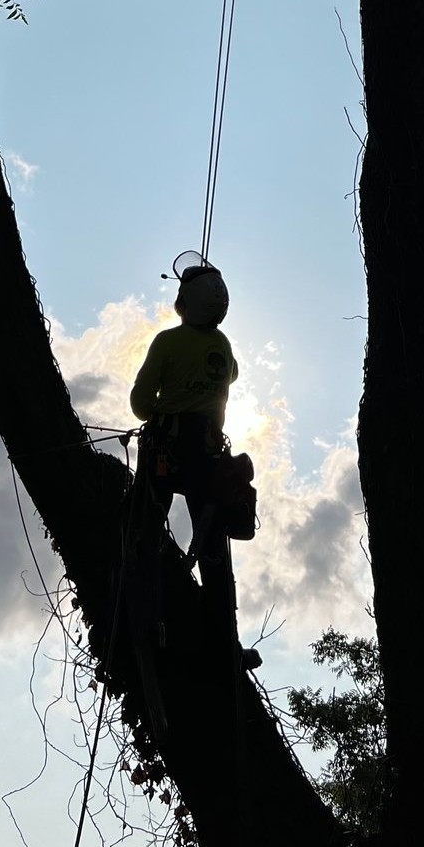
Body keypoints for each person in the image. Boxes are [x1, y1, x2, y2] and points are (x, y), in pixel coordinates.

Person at [128, 261, 259, 669]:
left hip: (166, 451)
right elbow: (231, 375)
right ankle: (225, 644)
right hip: (207, 456)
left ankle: (146, 622)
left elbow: (140, 404)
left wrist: (170, 399)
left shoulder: (167, 343)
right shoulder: (223, 346)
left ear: (185, 303)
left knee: (144, 533)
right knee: (213, 553)